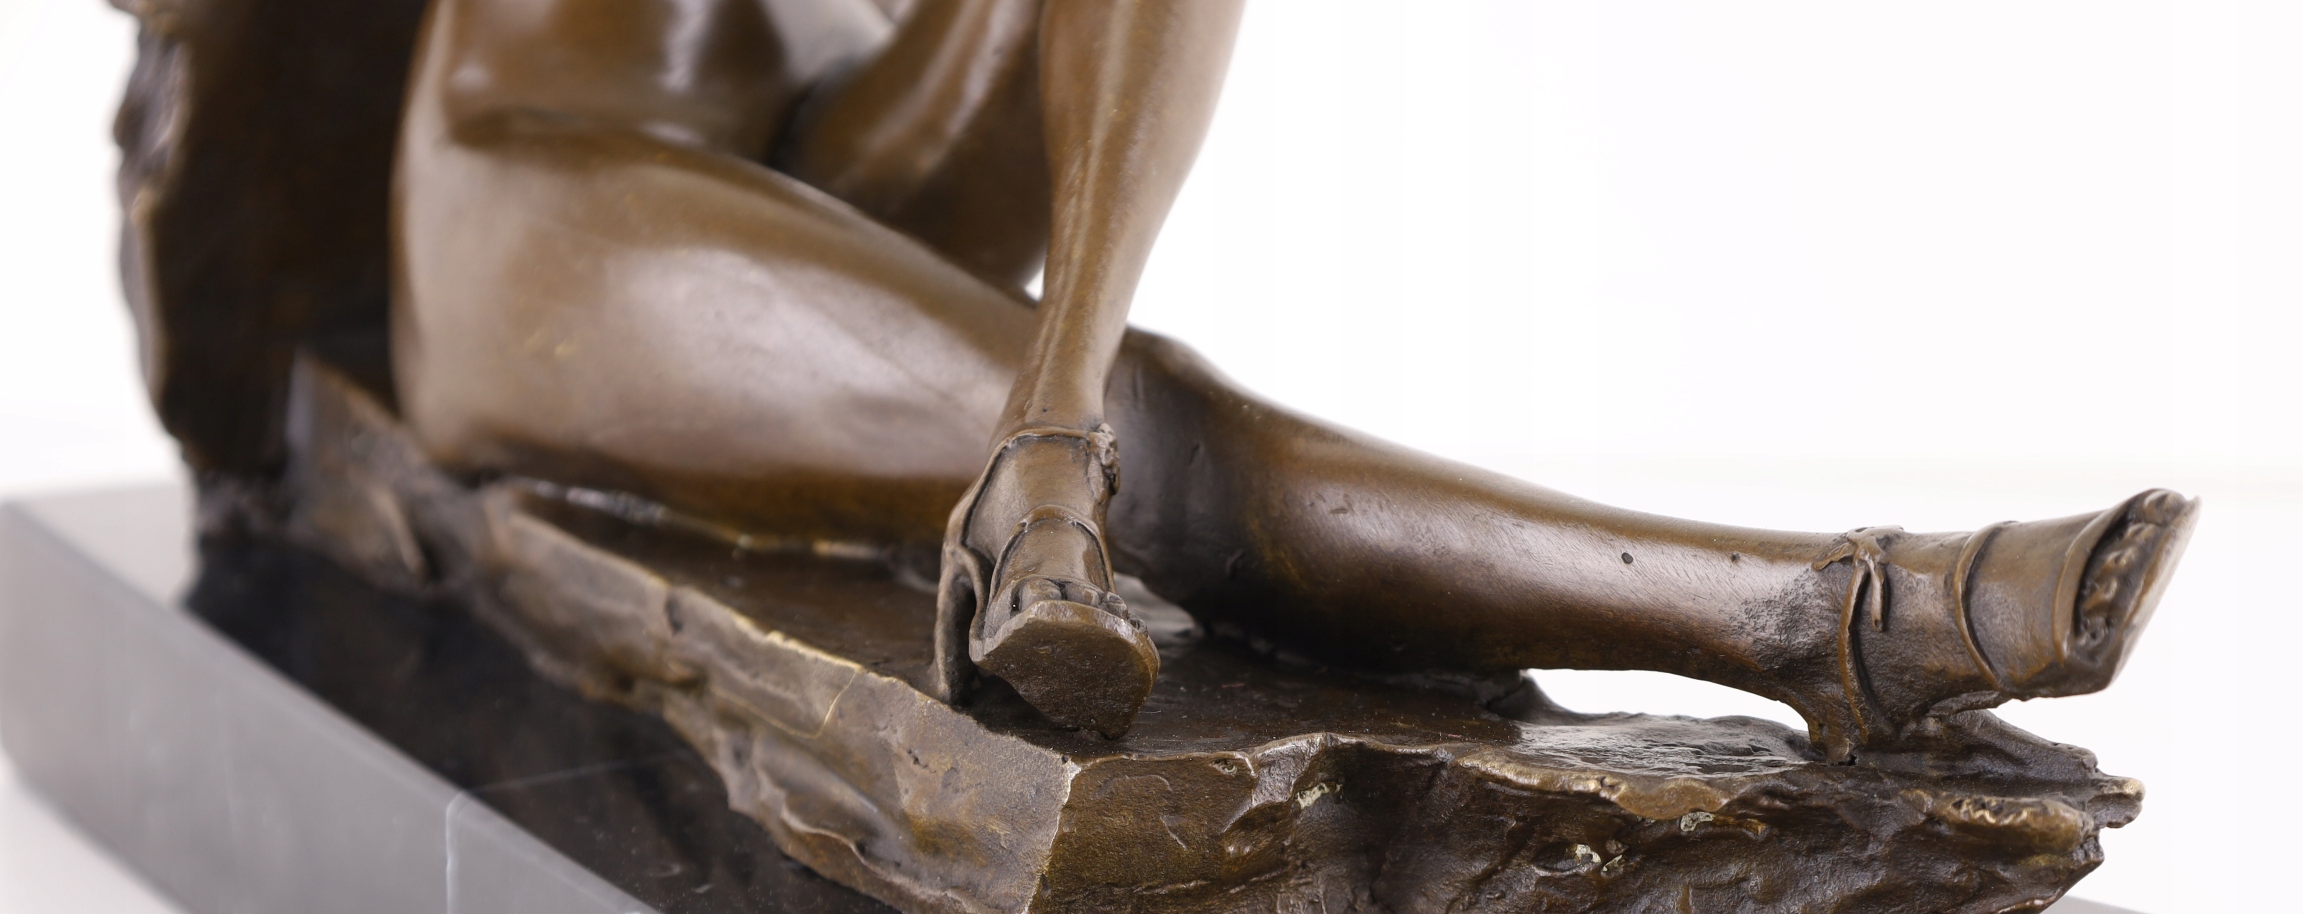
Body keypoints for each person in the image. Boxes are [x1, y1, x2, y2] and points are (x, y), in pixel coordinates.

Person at [392, 0, 2192, 748]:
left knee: (1102, 406)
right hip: (546, 200)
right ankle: (1834, 616)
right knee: (1163, 429)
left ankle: (1043, 450)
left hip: (815, 105)